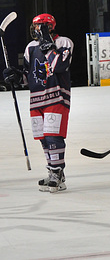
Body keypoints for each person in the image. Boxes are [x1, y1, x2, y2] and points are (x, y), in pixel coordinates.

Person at [3, 14, 73, 193]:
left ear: (47, 27)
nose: (35, 30)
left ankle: (57, 172)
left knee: (53, 136)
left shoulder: (64, 42)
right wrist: (16, 76)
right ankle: (54, 173)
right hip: (36, 99)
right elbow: (29, 76)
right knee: (43, 138)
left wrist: (48, 46)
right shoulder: (30, 47)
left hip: (56, 95)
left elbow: (59, 66)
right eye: (34, 27)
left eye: (38, 27)